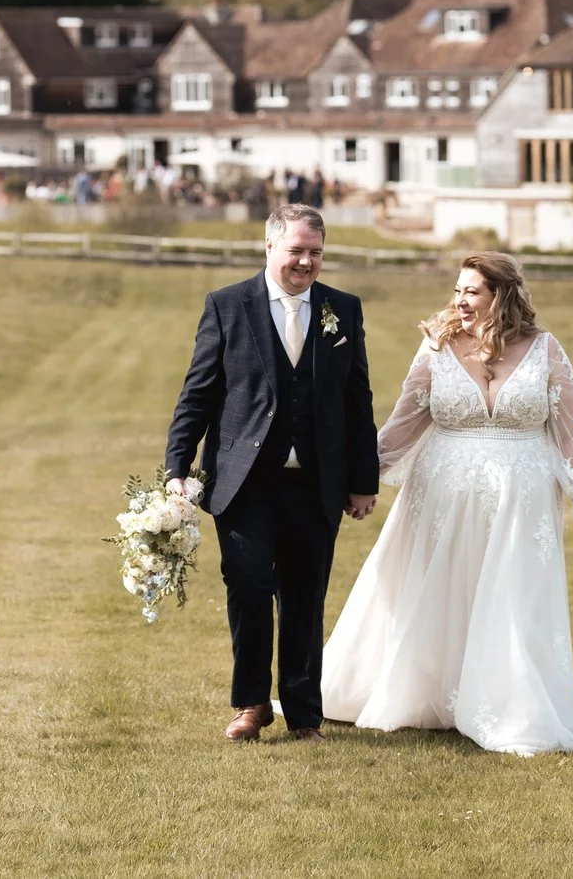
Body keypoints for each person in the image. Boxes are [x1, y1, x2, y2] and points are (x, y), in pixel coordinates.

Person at [319, 251, 573, 754]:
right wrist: (364, 477)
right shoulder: (437, 347)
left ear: (502, 295)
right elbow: (406, 420)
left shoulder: (545, 350)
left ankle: (509, 704)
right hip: (441, 497)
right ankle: (429, 693)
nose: (459, 300)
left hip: (523, 500)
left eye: (471, 291)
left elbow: (570, 432)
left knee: (511, 598)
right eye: (457, 291)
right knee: (439, 591)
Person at [163, 204, 379, 742]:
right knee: (250, 587)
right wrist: (176, 468)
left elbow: (357, 399)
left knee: (306, 597)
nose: (306, 262)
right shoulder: (228, 306)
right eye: (296, 251)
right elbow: (198, 394)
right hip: (245, 482)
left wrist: (363, 480)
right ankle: (252, 704)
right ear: (269, 248)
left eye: (316, 253)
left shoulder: (342, 310)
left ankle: (304, 715)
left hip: (316, 483)